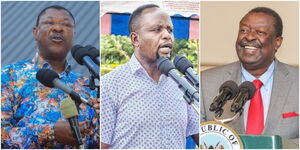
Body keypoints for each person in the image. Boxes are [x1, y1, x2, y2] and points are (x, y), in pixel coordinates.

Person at [100, 4, 199, 149]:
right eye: (157, 29)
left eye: (170, 30)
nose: (167, 35)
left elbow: (207, 138)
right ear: (135, 39)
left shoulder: (183, 85)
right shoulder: (110, 84)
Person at [1, 5, 99, 148]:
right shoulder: (9, 76)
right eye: (49, 23)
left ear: (74, 34)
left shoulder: (87, 84)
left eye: (66, 24)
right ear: (35, 32)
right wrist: (49, 133)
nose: (58, 29)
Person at [201, 7, 298, 141]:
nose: (249, 36)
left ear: (277, 42)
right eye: (244, 30)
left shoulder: (296, 82)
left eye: (260, 32)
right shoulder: (205, 83)